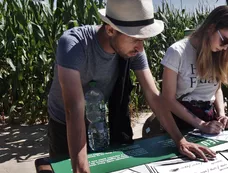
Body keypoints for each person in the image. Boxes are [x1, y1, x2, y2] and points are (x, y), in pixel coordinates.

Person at [47, 0, 215, 172]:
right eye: (135, 39)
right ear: (110, 30)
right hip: (64, 123)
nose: (140, 47)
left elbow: (154, 96)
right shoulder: (74, 45)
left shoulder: (134, 50)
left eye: (143, 40)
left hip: (97, 121)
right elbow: (73, 109)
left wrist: (180, 140)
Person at [161, 5, 228, 135]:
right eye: (224, 41)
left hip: (210, 120)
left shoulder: (219, 54)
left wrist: (222, 115)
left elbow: (216, 88)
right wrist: (201, 124)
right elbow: (168, 99)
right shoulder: (177, 52)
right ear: (211, 28)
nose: (225, 48)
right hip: (181, 122)